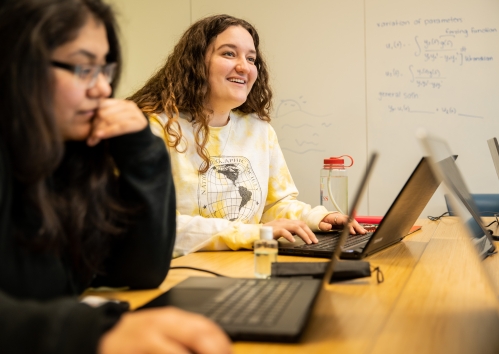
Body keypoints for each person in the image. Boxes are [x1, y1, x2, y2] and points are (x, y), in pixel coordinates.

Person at [0, 0, 231, 353]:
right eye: (82, 68)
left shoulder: (68, 159)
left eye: (104, 70)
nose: (103, 90)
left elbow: (137, 270)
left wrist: (143, 151)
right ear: (14, 64)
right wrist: (87, 333)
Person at [130, 14, 366, 257]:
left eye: (251, 58)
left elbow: (273, 205)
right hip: (177, 273)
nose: (244, 67)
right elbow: (153, 225)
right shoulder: (152, 128)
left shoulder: (259, 130)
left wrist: (318, 217)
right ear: (196, 61)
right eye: (229, 54)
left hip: (245, 264)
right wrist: (253, 233)